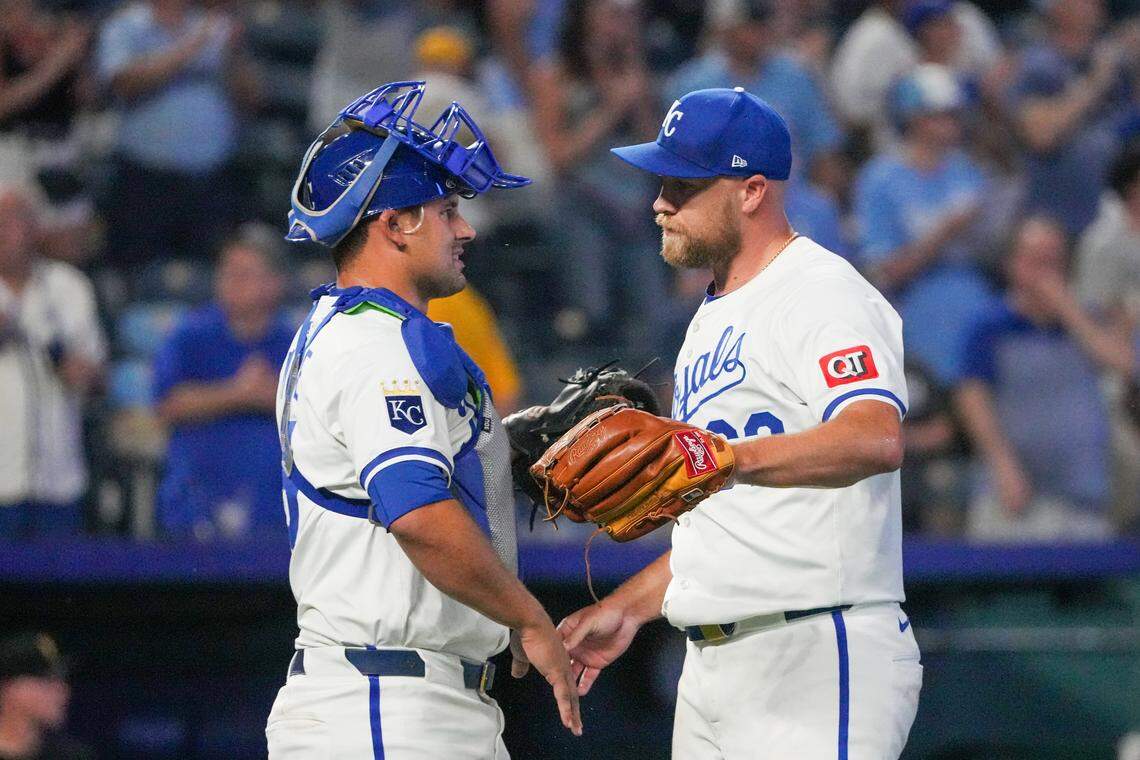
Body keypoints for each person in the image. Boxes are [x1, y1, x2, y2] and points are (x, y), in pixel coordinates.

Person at [558, 88, 921, 758]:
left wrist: (729, 458)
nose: (660, 202)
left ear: (752, 190)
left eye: (684, 184)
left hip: (815, 648)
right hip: (712, 665)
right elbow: (729, 525)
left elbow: (875, 436)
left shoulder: (821, 292)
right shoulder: (710, 317)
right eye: (661, 180)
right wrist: (630, 606)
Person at [266, 82, 580, 758]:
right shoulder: (375, 346)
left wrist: (502, 450)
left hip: (403, 698)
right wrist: (528, 617)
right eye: (444, 210)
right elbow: (419, 517)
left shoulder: (352, 329)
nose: (464, 228)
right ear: (394, 224)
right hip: (386, 703)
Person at [955, 217, 1131, 541]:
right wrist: (1002, 466)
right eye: (1035, 260)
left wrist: (1068, 309)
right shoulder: (989, 325)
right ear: (1011, 264)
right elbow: (972, 399)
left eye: (1054, 261)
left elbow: (1124, 364)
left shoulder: (1086, 321)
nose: (1045, 272)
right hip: (1012, 496)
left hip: (1084, 498)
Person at [853, 64, 998, 387]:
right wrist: (946, 231)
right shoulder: (880, 179)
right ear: (915, 119)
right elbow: (885, 272)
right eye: (943, 115)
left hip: (976, 296)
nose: (954, 123)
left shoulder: (967, 169)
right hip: (917, 310)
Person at [152, 227, 295, 540]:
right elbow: (166, 404)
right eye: (226, 271)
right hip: (194, 505)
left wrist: (274, 396)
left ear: (275, 283)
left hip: (274, 510)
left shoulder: (296, 342)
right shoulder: (190, 335)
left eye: (244, 273)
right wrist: (238, 393)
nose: (231, 281)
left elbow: (321, 415)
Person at [95, 0, 261, 267]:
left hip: (210, 181)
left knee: (210, 273)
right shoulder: (126, 25)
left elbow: (252, 101)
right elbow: (123, 83)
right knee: (140, 273)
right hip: (145, 180)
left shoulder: (217, 27)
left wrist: (234, 55)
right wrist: (191, 48)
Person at [0, 183, 105, 539]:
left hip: (57, 480)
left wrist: (62, 357)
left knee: (58, 593)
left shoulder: (67, 287)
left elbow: (93, 380)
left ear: (34, 227)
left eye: (10, 219)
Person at [0, 632, 94, 760]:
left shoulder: (74, 755)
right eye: (46, 679)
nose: (62, 690)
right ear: (9, 687)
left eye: (62, 679)